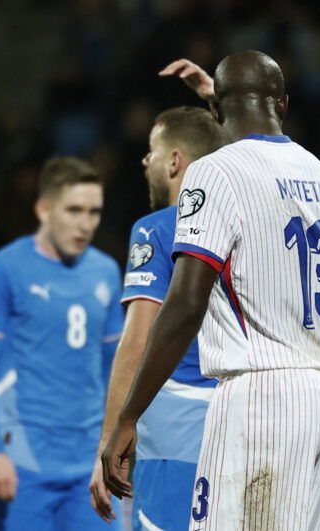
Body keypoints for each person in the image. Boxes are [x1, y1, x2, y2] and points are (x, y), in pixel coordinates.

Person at [102, 50, 320, 530]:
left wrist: (128, 415)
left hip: (260, 397)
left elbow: (184, 305)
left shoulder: (213, 172)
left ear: (218, 113)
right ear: (283, 105)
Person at [0, 157, 125, 530]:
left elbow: (111, 368)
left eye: (94, 211)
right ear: (43, 209)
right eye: (74, 210)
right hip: (23, 462)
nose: (85, 223)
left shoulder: (105, 271)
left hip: (88, 467)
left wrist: (110, 449)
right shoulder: (0, 270)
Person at [88, 106, 229, 530]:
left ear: (175, 161)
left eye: (153, 150)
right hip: (247, 417)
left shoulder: (158, 228)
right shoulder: (250, 224)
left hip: (176, 422)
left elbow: (137, 342)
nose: (145, 160)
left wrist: (109, 440)